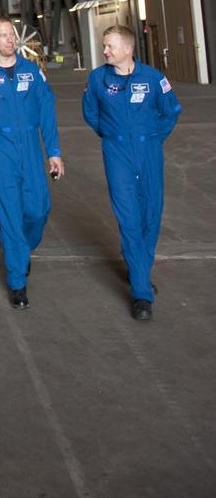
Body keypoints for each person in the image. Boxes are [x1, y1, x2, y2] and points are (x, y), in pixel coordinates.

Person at [82, 24, 182, 321]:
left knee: (151, 214)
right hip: (117, 152)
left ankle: (139, 269)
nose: (104, 51)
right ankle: (141, 293)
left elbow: (171, 111)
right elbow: (90, 112)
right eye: (104, 45)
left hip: (149, 150)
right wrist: (110, 134)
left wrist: (153, 138)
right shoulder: (98, 79)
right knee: (128, 218)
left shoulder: (153, 78)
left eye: (110, 46)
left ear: (128, 48)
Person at [0, 14, 64, 308]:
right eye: (3, 35)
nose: (10, 39)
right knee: (10, 215)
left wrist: (54, 151)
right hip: (1, 150)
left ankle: (21, 250)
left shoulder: (32, 72)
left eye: (12, 34)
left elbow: (47, 111)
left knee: (38, 210)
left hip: (31, 147)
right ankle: (17, 282)